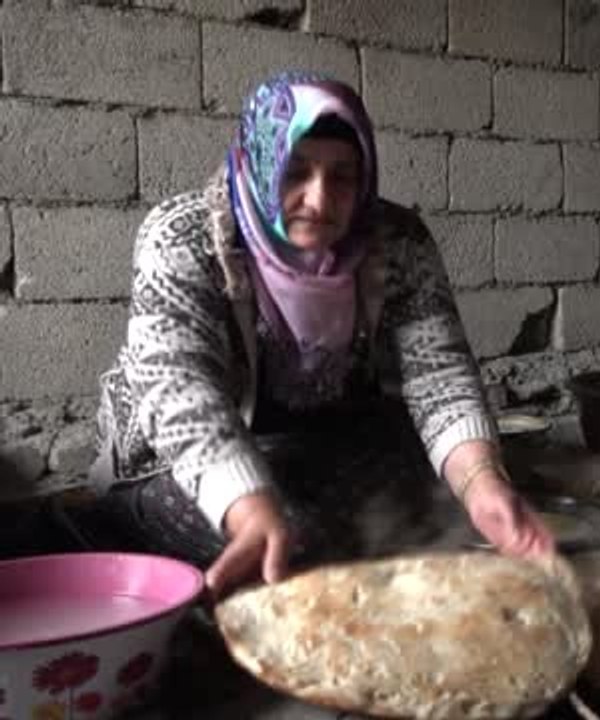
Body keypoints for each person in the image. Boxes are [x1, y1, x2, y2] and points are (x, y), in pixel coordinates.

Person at [69, 71, 552, 596]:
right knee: (287, 525)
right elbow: (181, 391)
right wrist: (249, 507)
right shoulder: (183, 236)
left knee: (439, 483)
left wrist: (482, 482)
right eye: (294, 171)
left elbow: (439, 376)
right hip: (177, 463)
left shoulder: (397, 239)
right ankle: (112, 531)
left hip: (320, 438)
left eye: (343, 177)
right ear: (259, 163)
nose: (319, 201)